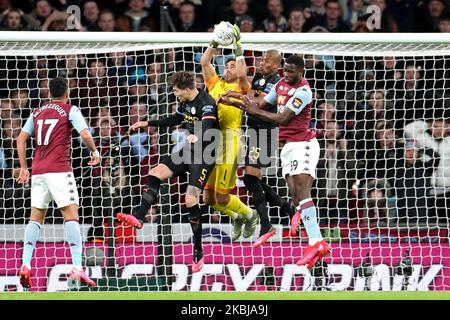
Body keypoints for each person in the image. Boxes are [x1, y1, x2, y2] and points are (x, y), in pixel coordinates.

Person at [231, 55, 331, 268]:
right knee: (296, 195)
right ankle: (315, 242)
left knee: (303, 193)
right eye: (285, 70)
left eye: (291, 71)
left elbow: (282, 118)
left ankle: (317, 242)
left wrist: (254, 110)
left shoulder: (303, 91)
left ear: (301, 71)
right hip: (287, 147)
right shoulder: (280, 84)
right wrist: (236, 100)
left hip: (303, 144)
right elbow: (262, 104)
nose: (286, 74)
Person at [116, 71, 218, 273]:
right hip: (188, 151)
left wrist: (197, 135)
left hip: (205, 154)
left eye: (177, 91)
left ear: (188, 89)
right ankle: (138, 216)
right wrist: (149, 123)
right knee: (156, 172)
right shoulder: (185, 103)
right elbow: (174, 119)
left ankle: (198, 250)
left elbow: (207, 125)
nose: (175, 94)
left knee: (190, 201)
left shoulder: (206, 102)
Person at [16, 77, 100, 289]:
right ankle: (77, 267)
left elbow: (20, 138)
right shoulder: (70, 109)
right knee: (71, 216)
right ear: (67, 92)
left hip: (38, 172)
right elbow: (84, 133)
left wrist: (25, 168)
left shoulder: (37, 112)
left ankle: (25, 264)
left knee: (35, 219)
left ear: (49, 93)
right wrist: (95, 151)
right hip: (60, 171)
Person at [220, 50, 295, 247]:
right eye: (261, 60)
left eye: (267, 61)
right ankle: (288, 211)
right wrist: (234, 100)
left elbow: (258, 103)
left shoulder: (277, 83)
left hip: (265, 133)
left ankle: (267, 223)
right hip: (254, 132)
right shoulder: (260, 77)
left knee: (250, 178)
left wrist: (234, 96)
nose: (262, 63)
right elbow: (249, 98)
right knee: (253, 179)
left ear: (277, 66)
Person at [200, 24, 259, 242]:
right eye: (227, 66)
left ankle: (250, 215)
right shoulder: (215, 84)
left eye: (232, 66)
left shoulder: (243, 88)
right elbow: (204, 62)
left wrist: (238, 47)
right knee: (207, 198)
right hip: (212, 142)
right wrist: (214, 42)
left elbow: (243, 73)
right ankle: (237, 216)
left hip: (231, 141)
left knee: (223, 197)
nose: (228, 69)